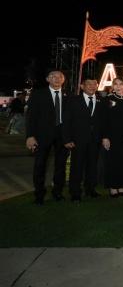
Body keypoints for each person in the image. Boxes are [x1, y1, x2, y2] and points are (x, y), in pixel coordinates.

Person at [25, 70, 71, 205]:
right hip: (42, 136)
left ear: (63, 79)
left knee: (61, 166)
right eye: (53, 76)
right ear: (47, 79)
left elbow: (72, 118)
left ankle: (57, 192)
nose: (57, 79)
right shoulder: (38, 94)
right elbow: (31, 117)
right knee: (40, 165)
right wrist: (30, 136)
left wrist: (71, 136)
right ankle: (39, 195)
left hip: (63, 135)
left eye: (60, 76)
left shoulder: (69, 95)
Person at [62, 77, 106, 202]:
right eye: (89, 84)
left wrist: (104, 137)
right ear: (82, 86)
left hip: (95, 140)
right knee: (77, 167)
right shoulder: (73, 101)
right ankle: (75, 192)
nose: (92, 86)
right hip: (77, 140)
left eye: (94, 84)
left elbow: (104, 121)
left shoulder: (101, 100)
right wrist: (67, 139)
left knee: (92, 166)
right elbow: (66, 121)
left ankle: (90, 189)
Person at [102, 77, 123, 198]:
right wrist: (105, 137)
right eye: (116, 84)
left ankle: (121, 185)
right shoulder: (108, 99)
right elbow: (104, 120)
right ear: (112, 86)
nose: (118, 86)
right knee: (112, 162)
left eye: (121, 84)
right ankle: (113, 186)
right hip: (111, 136)